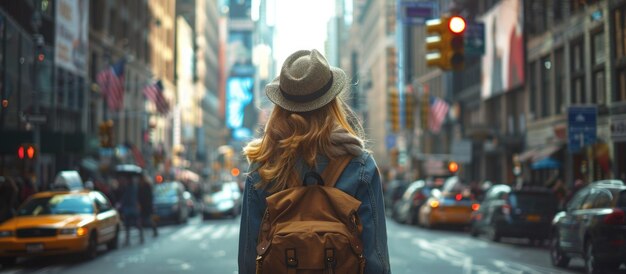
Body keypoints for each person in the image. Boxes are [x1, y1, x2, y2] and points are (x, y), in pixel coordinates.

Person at [238, 49, 391, 274]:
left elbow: (249, 258)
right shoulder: (360, 165)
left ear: (281, 107)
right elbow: (376, 259)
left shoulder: (263, 166)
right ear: (332, 102)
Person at [116, 173, 144, 245]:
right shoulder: (134, 187)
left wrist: (121, 204)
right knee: (134, 223)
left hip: (130, 208)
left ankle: (128, 240)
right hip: (132, 207)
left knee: (128, 224)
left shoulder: (129, 188)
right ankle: (140, 237)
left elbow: (125, 198)